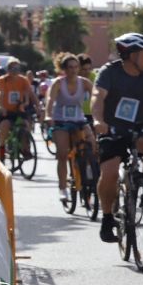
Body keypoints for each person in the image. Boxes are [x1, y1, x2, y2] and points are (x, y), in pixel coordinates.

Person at [91, 33, 143, 243]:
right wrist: (97, 121)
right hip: (112, 130)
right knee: (110, 172)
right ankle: (107, 218)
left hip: (139, 129)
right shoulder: (109, 73)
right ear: (131, 55)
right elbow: (97, 97)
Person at [43, 52, 96, 203]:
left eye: (76, 67)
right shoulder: (58, 83)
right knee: (62, 154)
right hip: (61, 121)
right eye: (70, 67)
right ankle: (62, 188)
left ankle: (88, 172)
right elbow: (50, 100)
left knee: (92, 144)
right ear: (64, 69)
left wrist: (102, 113)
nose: (73, 70)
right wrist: (48, 115)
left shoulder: (84, 82)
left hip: (79, 120)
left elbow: (97, 97)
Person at [0, 59, 36, 161]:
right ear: (8, 70)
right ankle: (2, 149)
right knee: (5, 125)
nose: (15, 70)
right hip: (5, 110)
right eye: (12, 68)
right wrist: (1, 107)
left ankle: (25, 149)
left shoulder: (23, 80)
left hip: (18, 110)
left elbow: (31, 94)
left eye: (17, 68)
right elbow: (0, 95)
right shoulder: (2, 80)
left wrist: (38, 107)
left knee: (26, 125)